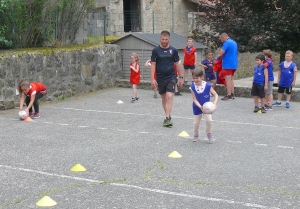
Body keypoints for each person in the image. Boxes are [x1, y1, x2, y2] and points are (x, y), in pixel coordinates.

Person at [150, 30, 184, 127]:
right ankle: (167, 115)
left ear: (169, 39)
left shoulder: (173, 50)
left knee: (169, 97)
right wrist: (153, 79)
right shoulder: (155, 50)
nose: (164, 41)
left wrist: (181, 77)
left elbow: (178, 64)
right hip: (160, 77)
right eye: (163, 39)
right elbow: (153, 65)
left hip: (171, 77)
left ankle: (167, 118)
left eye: (166, 39)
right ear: (160, 39)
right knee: (164, 98)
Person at [189, 68, 218, 142]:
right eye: (194, 78)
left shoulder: (208, 86)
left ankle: (209, 133)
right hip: (197, 107)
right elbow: (194, 99)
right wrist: (200, 107)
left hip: (207, 107)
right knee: (196, 124)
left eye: (197, 78)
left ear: (202, 77)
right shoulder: (192, 87)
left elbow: (215, 94)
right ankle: (196, 134)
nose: (195, 80)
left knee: (209, 121)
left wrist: (215, 102)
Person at [219, 33, 238, 100]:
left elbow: (221, 52)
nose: (220, 40)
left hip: (227, 64)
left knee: (227, 80)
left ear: (223, 37)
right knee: (231, 79)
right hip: (234, 64)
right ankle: (232, 94)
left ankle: (229, 95)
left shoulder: (226, 43)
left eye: (221, 38)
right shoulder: (234, 42)